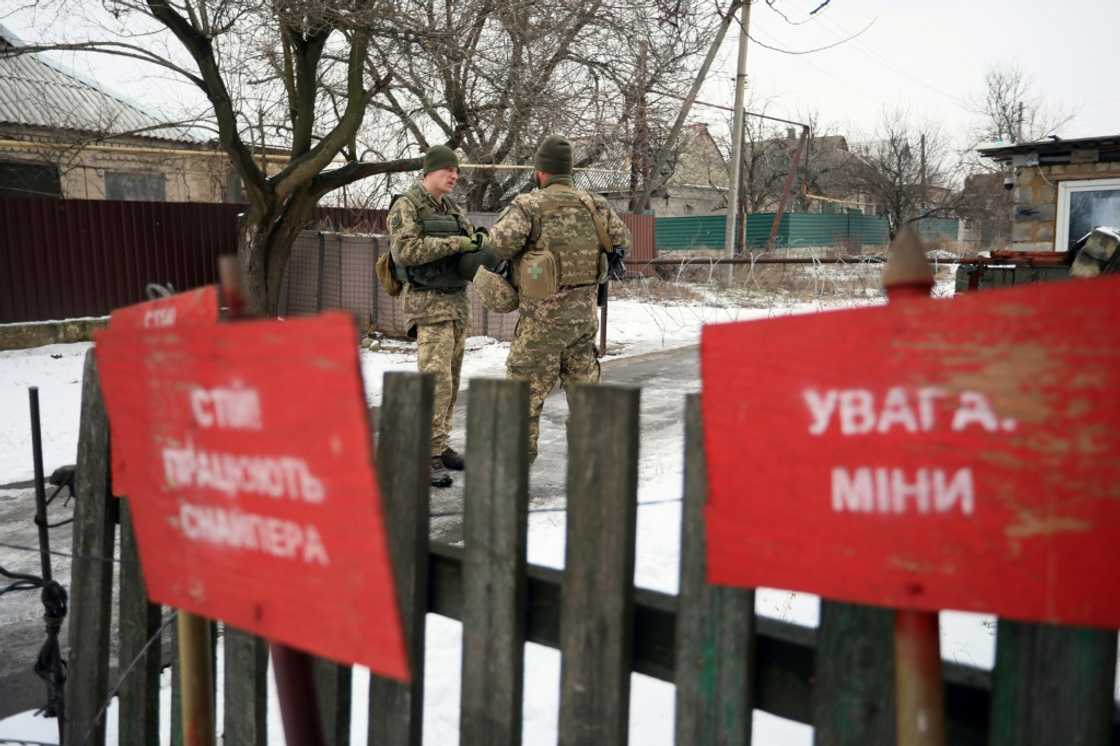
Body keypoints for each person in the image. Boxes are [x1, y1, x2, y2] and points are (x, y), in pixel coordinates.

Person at [482, 134, 631, 462]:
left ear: (541, 172)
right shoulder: (596, 204)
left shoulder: (529, 205)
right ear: (569, 170)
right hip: (582, 322)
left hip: (540, 328)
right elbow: (622, 242)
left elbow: (496, 248)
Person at [387, 144, 483, 487]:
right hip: (428, 306)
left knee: (452, 382)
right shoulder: (407, 205)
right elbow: (406, 250)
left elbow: (469, 240)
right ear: (429, 171)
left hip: (456, 304)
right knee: (435, 381)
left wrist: (478, 242)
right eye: (448, 170)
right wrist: (457, 245)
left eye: (456, 171)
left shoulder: (451, 208)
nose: (454, 175)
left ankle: (439, 446)